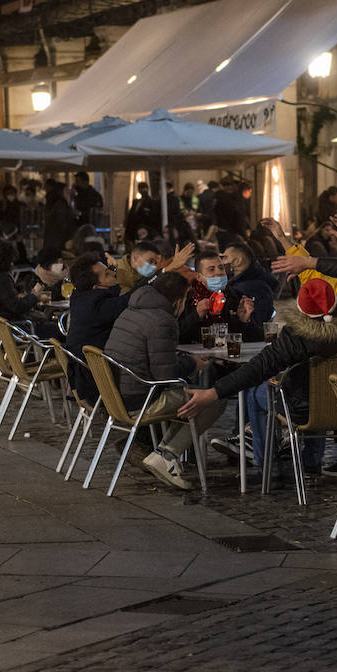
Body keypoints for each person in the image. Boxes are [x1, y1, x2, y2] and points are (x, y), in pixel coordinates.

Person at [180, 264, 337, 475]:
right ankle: (310, 462)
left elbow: (258, 368)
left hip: (304, 409)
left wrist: (213, 392)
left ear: (301, 310)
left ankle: (268, 467)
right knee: (315, 386)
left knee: (256, 392)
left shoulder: (295, 337)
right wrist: (311, 262)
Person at [104, 271, 218, 490]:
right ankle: (167, 454)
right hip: (140, 399)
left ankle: (160, 450)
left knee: (194, 395)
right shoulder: (162, 320)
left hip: (117, 395)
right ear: (179, 300)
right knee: (211, 399)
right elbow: (165, 376)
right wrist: (193, 363)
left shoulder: (132, 310)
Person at [64, 253, 132, 401]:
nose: (114, 275)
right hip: (97, 385)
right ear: (96, 287)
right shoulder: (98, 307)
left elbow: (112, 290)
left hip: (82, 375)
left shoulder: (79, 295)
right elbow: (131, 296)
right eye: (108, 274)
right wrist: (163, 273)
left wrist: (114, 266)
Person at [39, 179, 77, 263]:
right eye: (66, 190)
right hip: (59, 242)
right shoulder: (61, 204)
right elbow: (63, 223)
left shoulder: (52, 204)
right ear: (61, 192)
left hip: (52, 241)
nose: (68, 193)